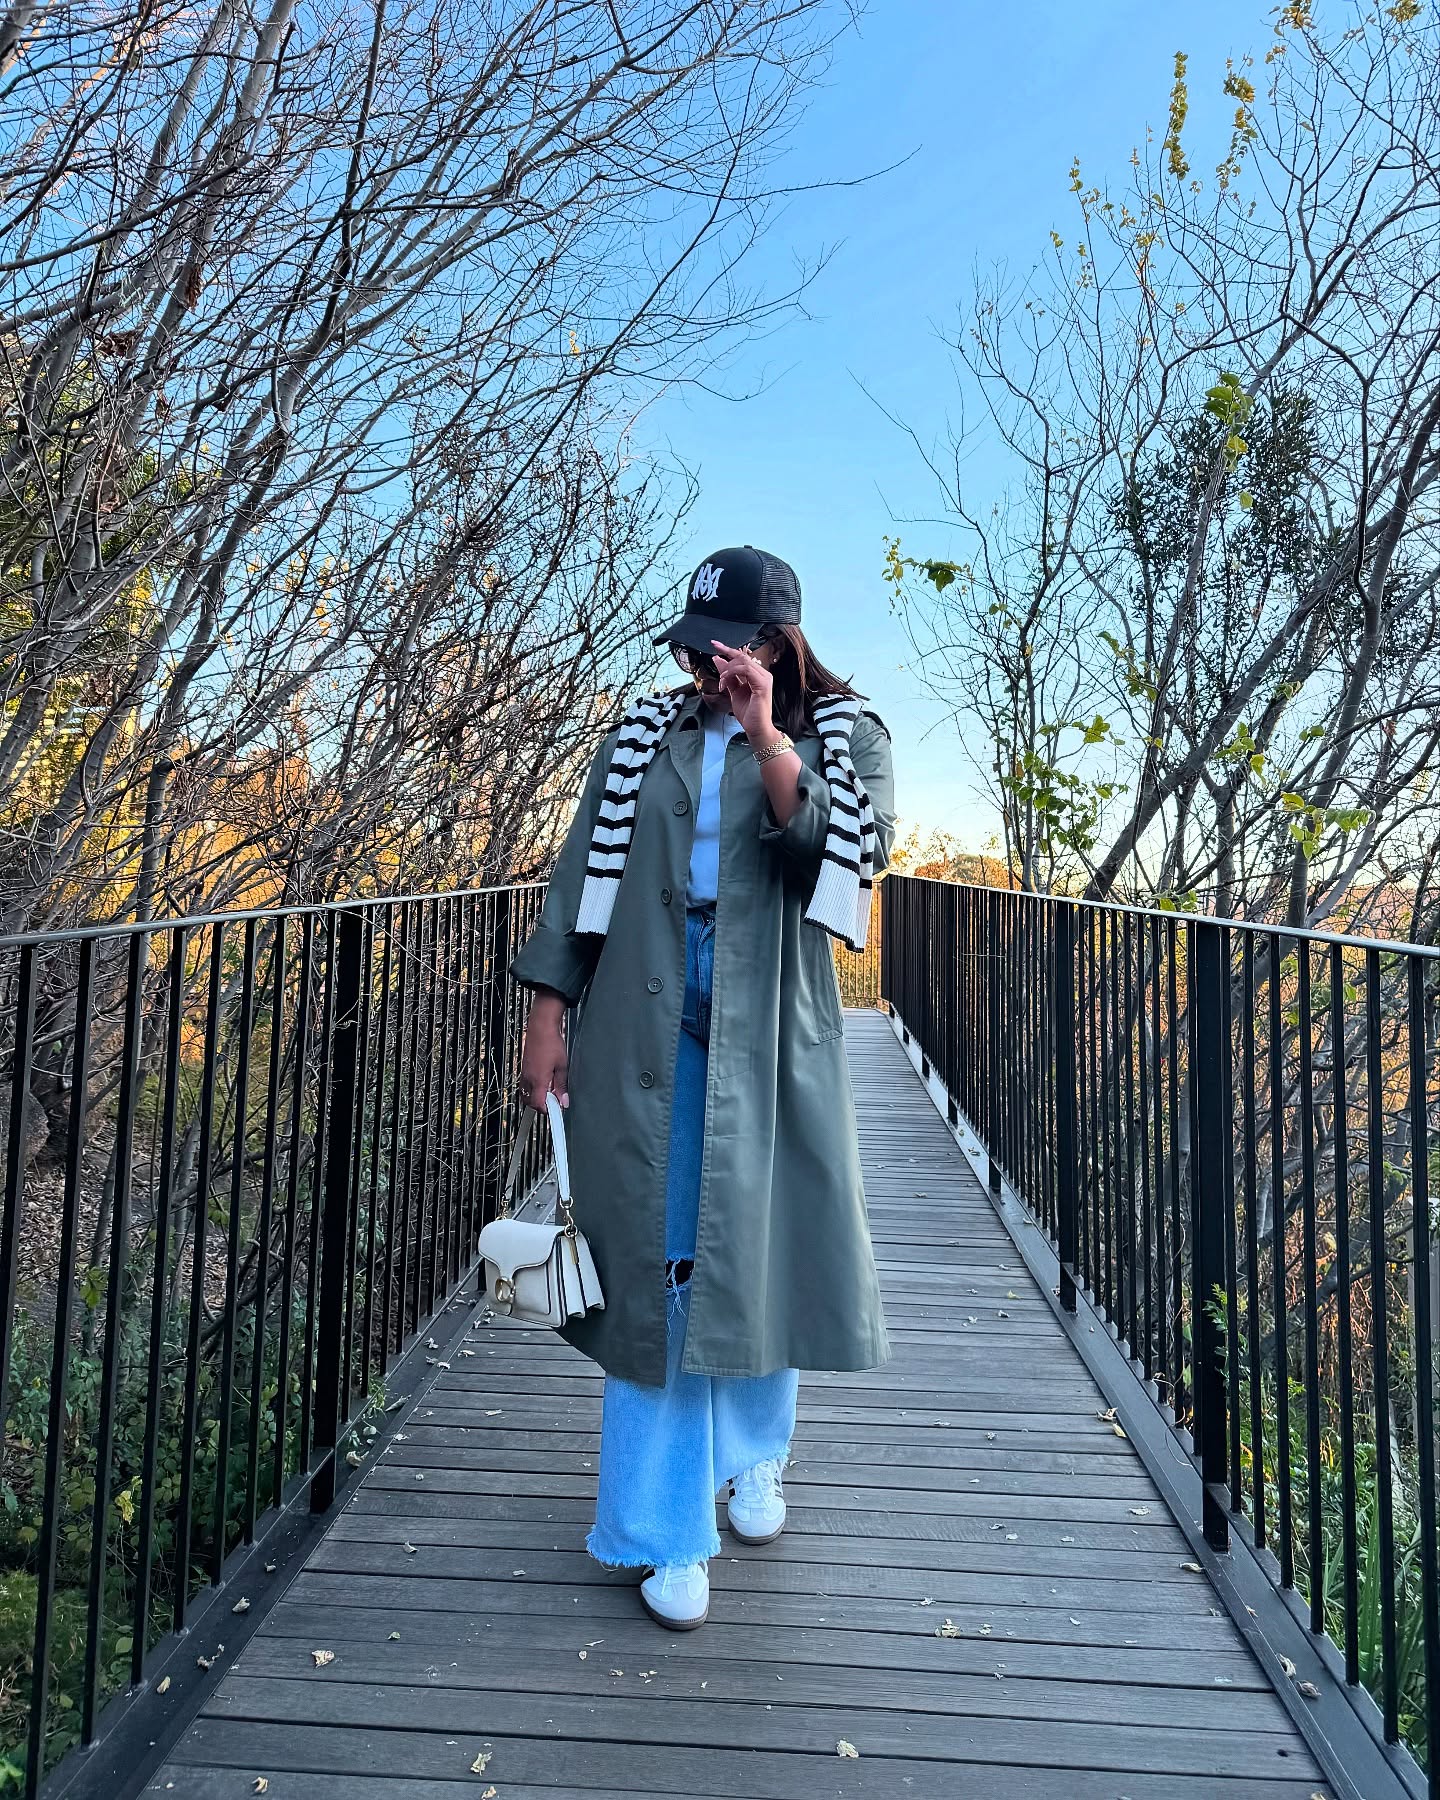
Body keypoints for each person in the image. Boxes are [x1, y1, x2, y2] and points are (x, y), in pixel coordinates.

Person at [508, 543, 897, 1629]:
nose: (701, 667)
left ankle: (754, 1453)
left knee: (757, 1250)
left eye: (720, 649)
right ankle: (668, 1528)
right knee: (660, 1266)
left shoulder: (846, 732)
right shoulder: (647, 732)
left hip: (769, 1017)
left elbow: (845, 859)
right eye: (692, 648)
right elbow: (581, 874)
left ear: (773, 643)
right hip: (645, 1001)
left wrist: (768, 733)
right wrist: (547, 1015)